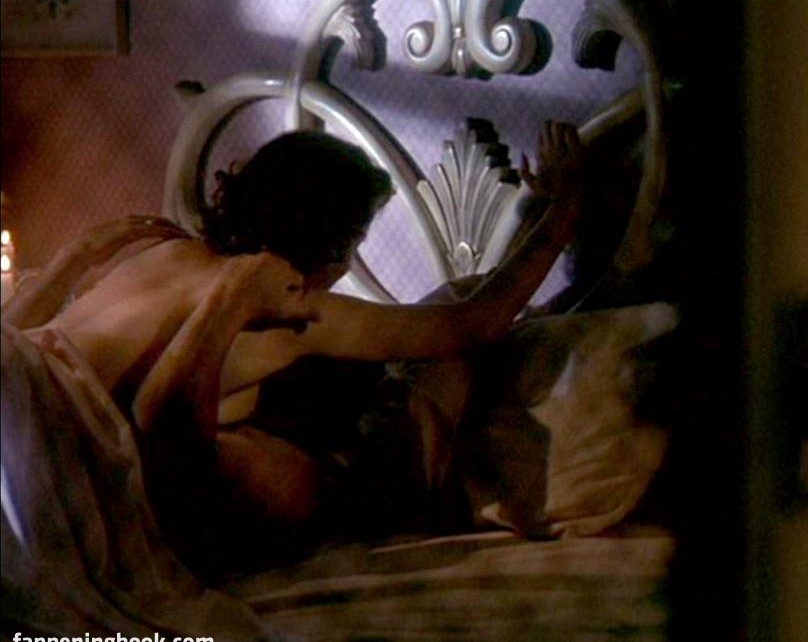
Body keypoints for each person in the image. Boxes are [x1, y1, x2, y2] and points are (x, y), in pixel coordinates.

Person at [3, 121, 586, 574]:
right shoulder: (291, 310)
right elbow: (475, 321)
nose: (347, 265)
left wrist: (68, 265)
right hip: (38, 462)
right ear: (330, 241)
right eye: (353, 244)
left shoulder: (164, 250)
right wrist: (563, 211)